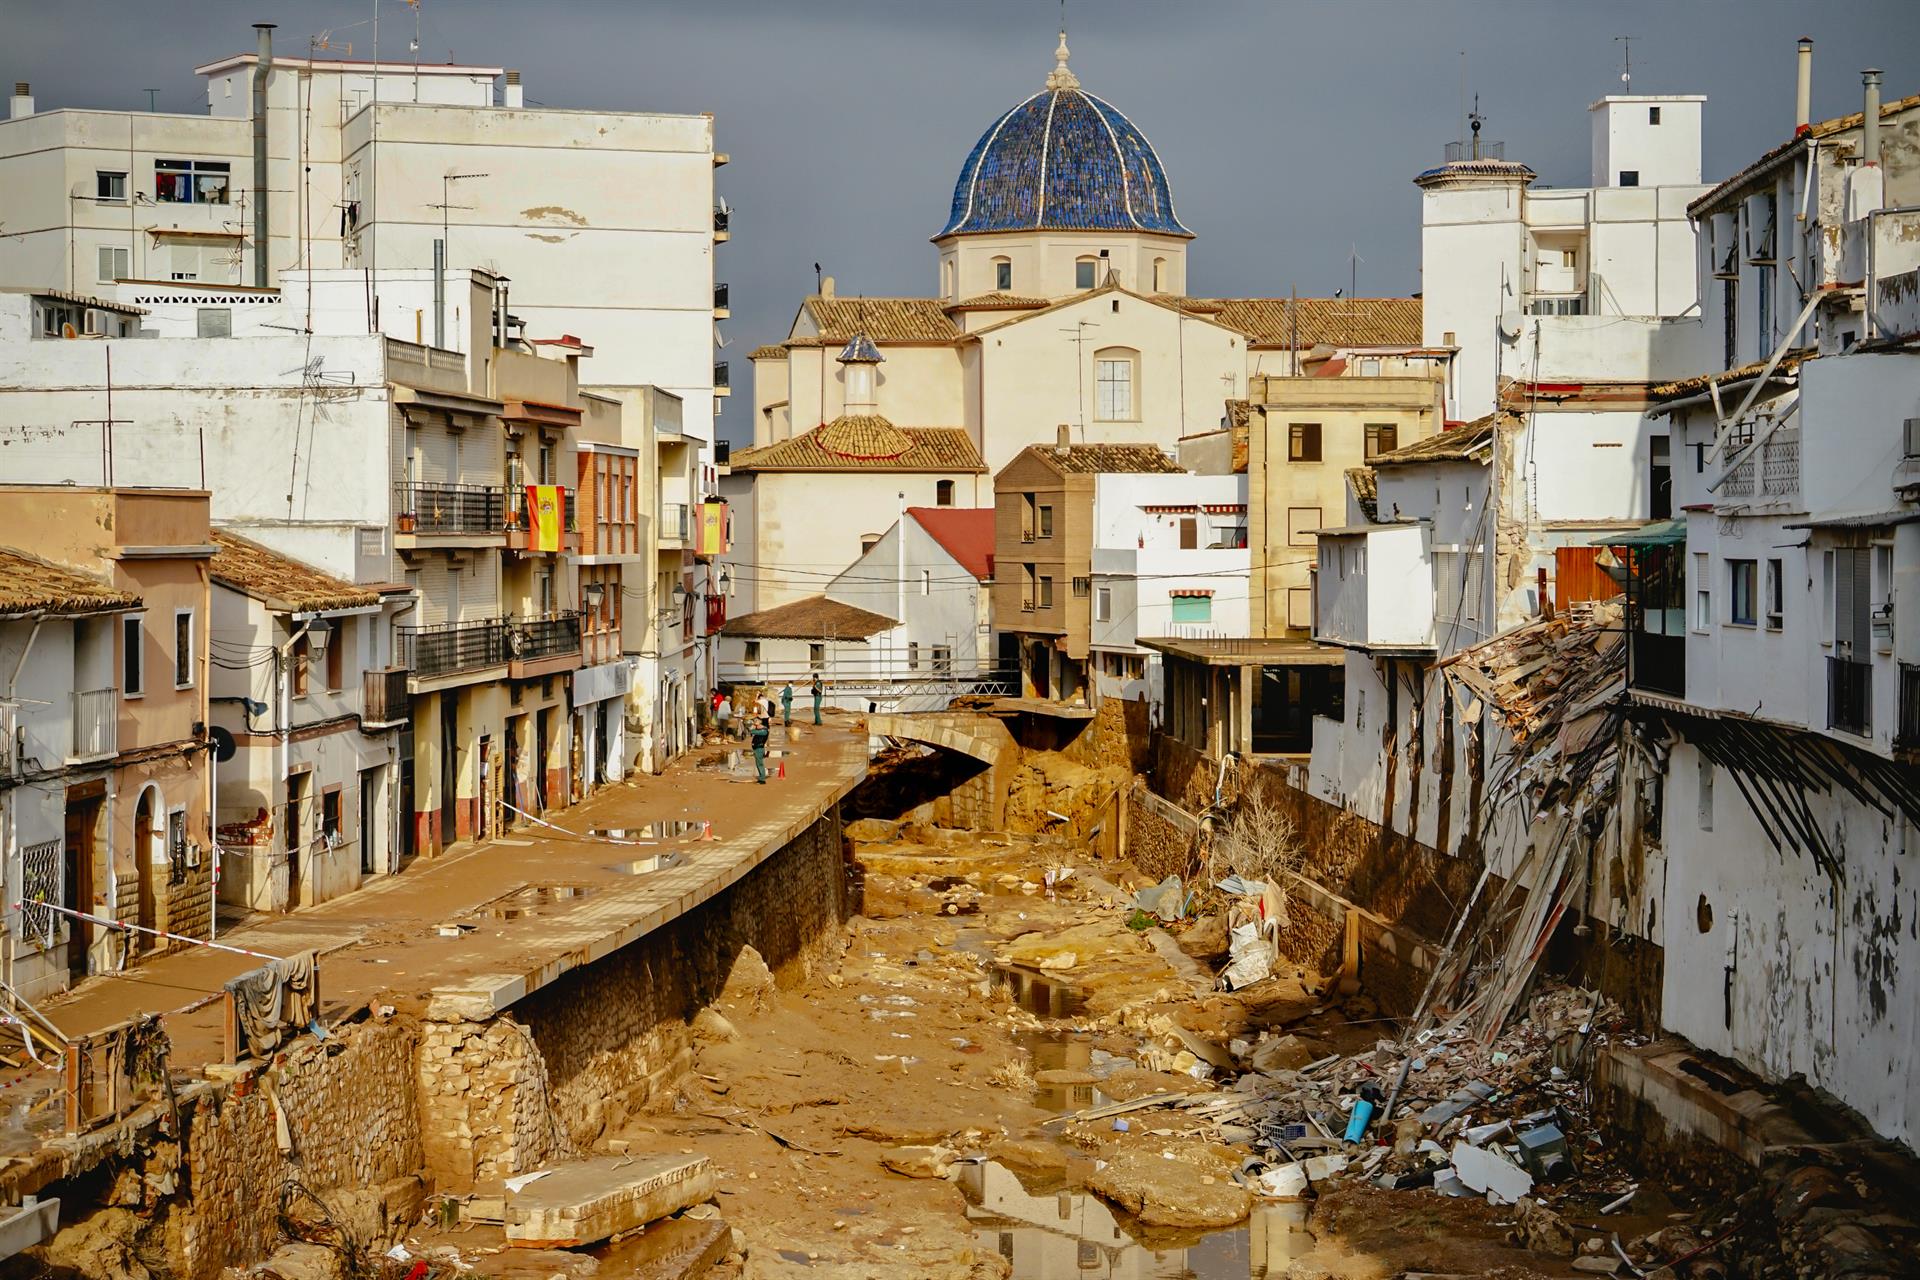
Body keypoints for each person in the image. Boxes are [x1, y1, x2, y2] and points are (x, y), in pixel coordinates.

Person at [749, 715, 770, 784]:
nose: (755, 723)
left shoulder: (764, 731)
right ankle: (761, 777)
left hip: (759, 749)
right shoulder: (761, 730)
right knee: (758, 764)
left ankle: (762, 779)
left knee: (760, 764)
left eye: (757, 721)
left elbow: (753, 732)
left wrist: (752, 728)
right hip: (757, 748)